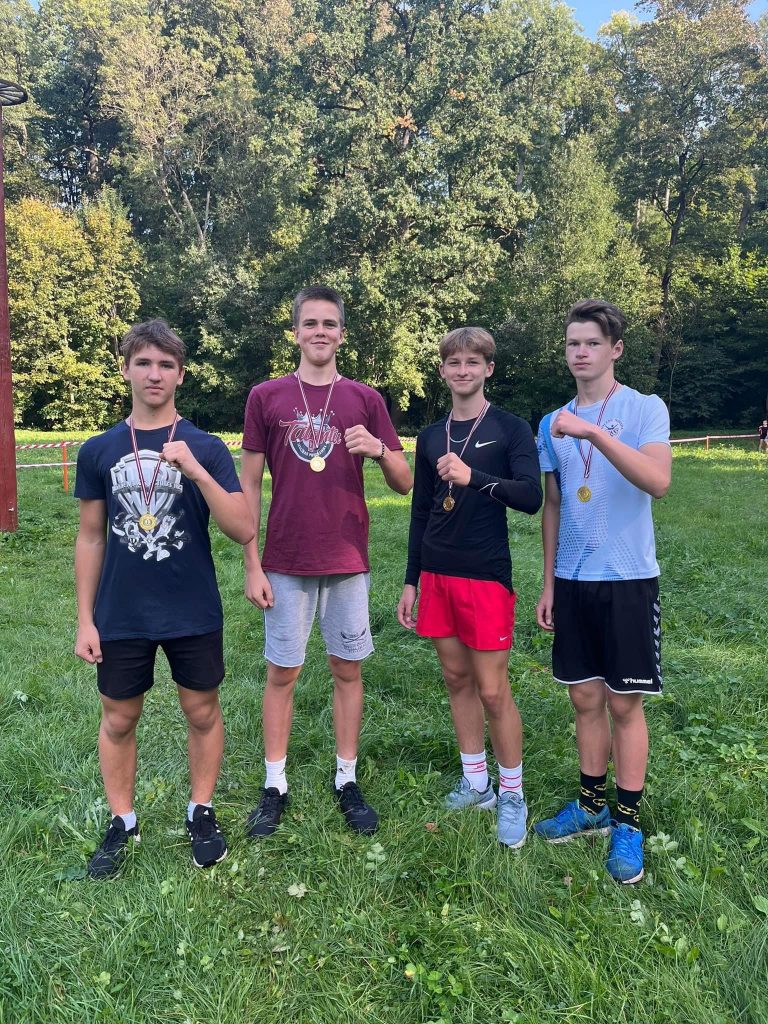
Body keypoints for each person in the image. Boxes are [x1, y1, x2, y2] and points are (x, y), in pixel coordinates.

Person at [74, 319, 253, 879]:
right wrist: (85, 619)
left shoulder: (206, 447)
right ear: (126, 369)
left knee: (201, 711)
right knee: (119, 717)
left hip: (190, 607)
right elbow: (91, 537)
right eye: (144, 363)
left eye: (166, 365)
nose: (155, 374)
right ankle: (122, 820)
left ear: (180, 374)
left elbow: (243, 527)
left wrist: (197, 471)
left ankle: (201, 810)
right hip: (122, 610)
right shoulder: (99, 450)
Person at [240, 285, 412, 838]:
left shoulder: (365, 399)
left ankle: (346, 777)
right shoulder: (266, 396)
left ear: (342, 333)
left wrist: (378, 450)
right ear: (295, 332)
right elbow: (248, 486)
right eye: (310, 323)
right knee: (282, 671)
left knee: (347, 668)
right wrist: (251, 563)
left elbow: (404, 482)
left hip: (346, 557)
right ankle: (275, 784)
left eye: (329, 323)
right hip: (285, 558)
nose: (320, 332)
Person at [534, 299, 671, 884]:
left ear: (615, 349)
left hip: (628, 579)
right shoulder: (551, 422)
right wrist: (548, 582)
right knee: (585, 700)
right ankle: (591, 806)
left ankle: (628, 821)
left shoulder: (644, 408)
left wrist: (593, 431)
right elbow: (555, 504)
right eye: (573, 343)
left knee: (623, 704)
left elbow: (657, 481)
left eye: (592, 343)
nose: (581, 352)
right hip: (573, 581)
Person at [397, 327, 542, 848]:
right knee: (456, 680)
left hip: (485, 575)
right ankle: (476, 781)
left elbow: (531, 497)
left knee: (493, 690)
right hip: (437, 573)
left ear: (488, 369)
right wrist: (411, 580)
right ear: (442, 371)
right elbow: (420, 512)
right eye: (454, 362)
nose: (463, 370)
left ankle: (512, 793)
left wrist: (473, 476)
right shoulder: (430, 436)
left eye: (472, 362)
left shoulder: (510, 428)